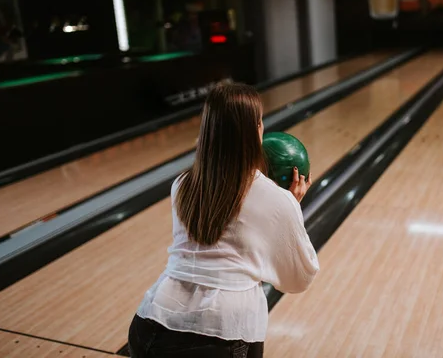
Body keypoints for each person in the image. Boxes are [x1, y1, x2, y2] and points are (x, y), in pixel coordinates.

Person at [128, 82, 319, 357]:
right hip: (221, 336)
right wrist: (292, 207)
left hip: (150, 326)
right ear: (255, 131)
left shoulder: (181, 184)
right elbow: (298, 279)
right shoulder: (276, 198)